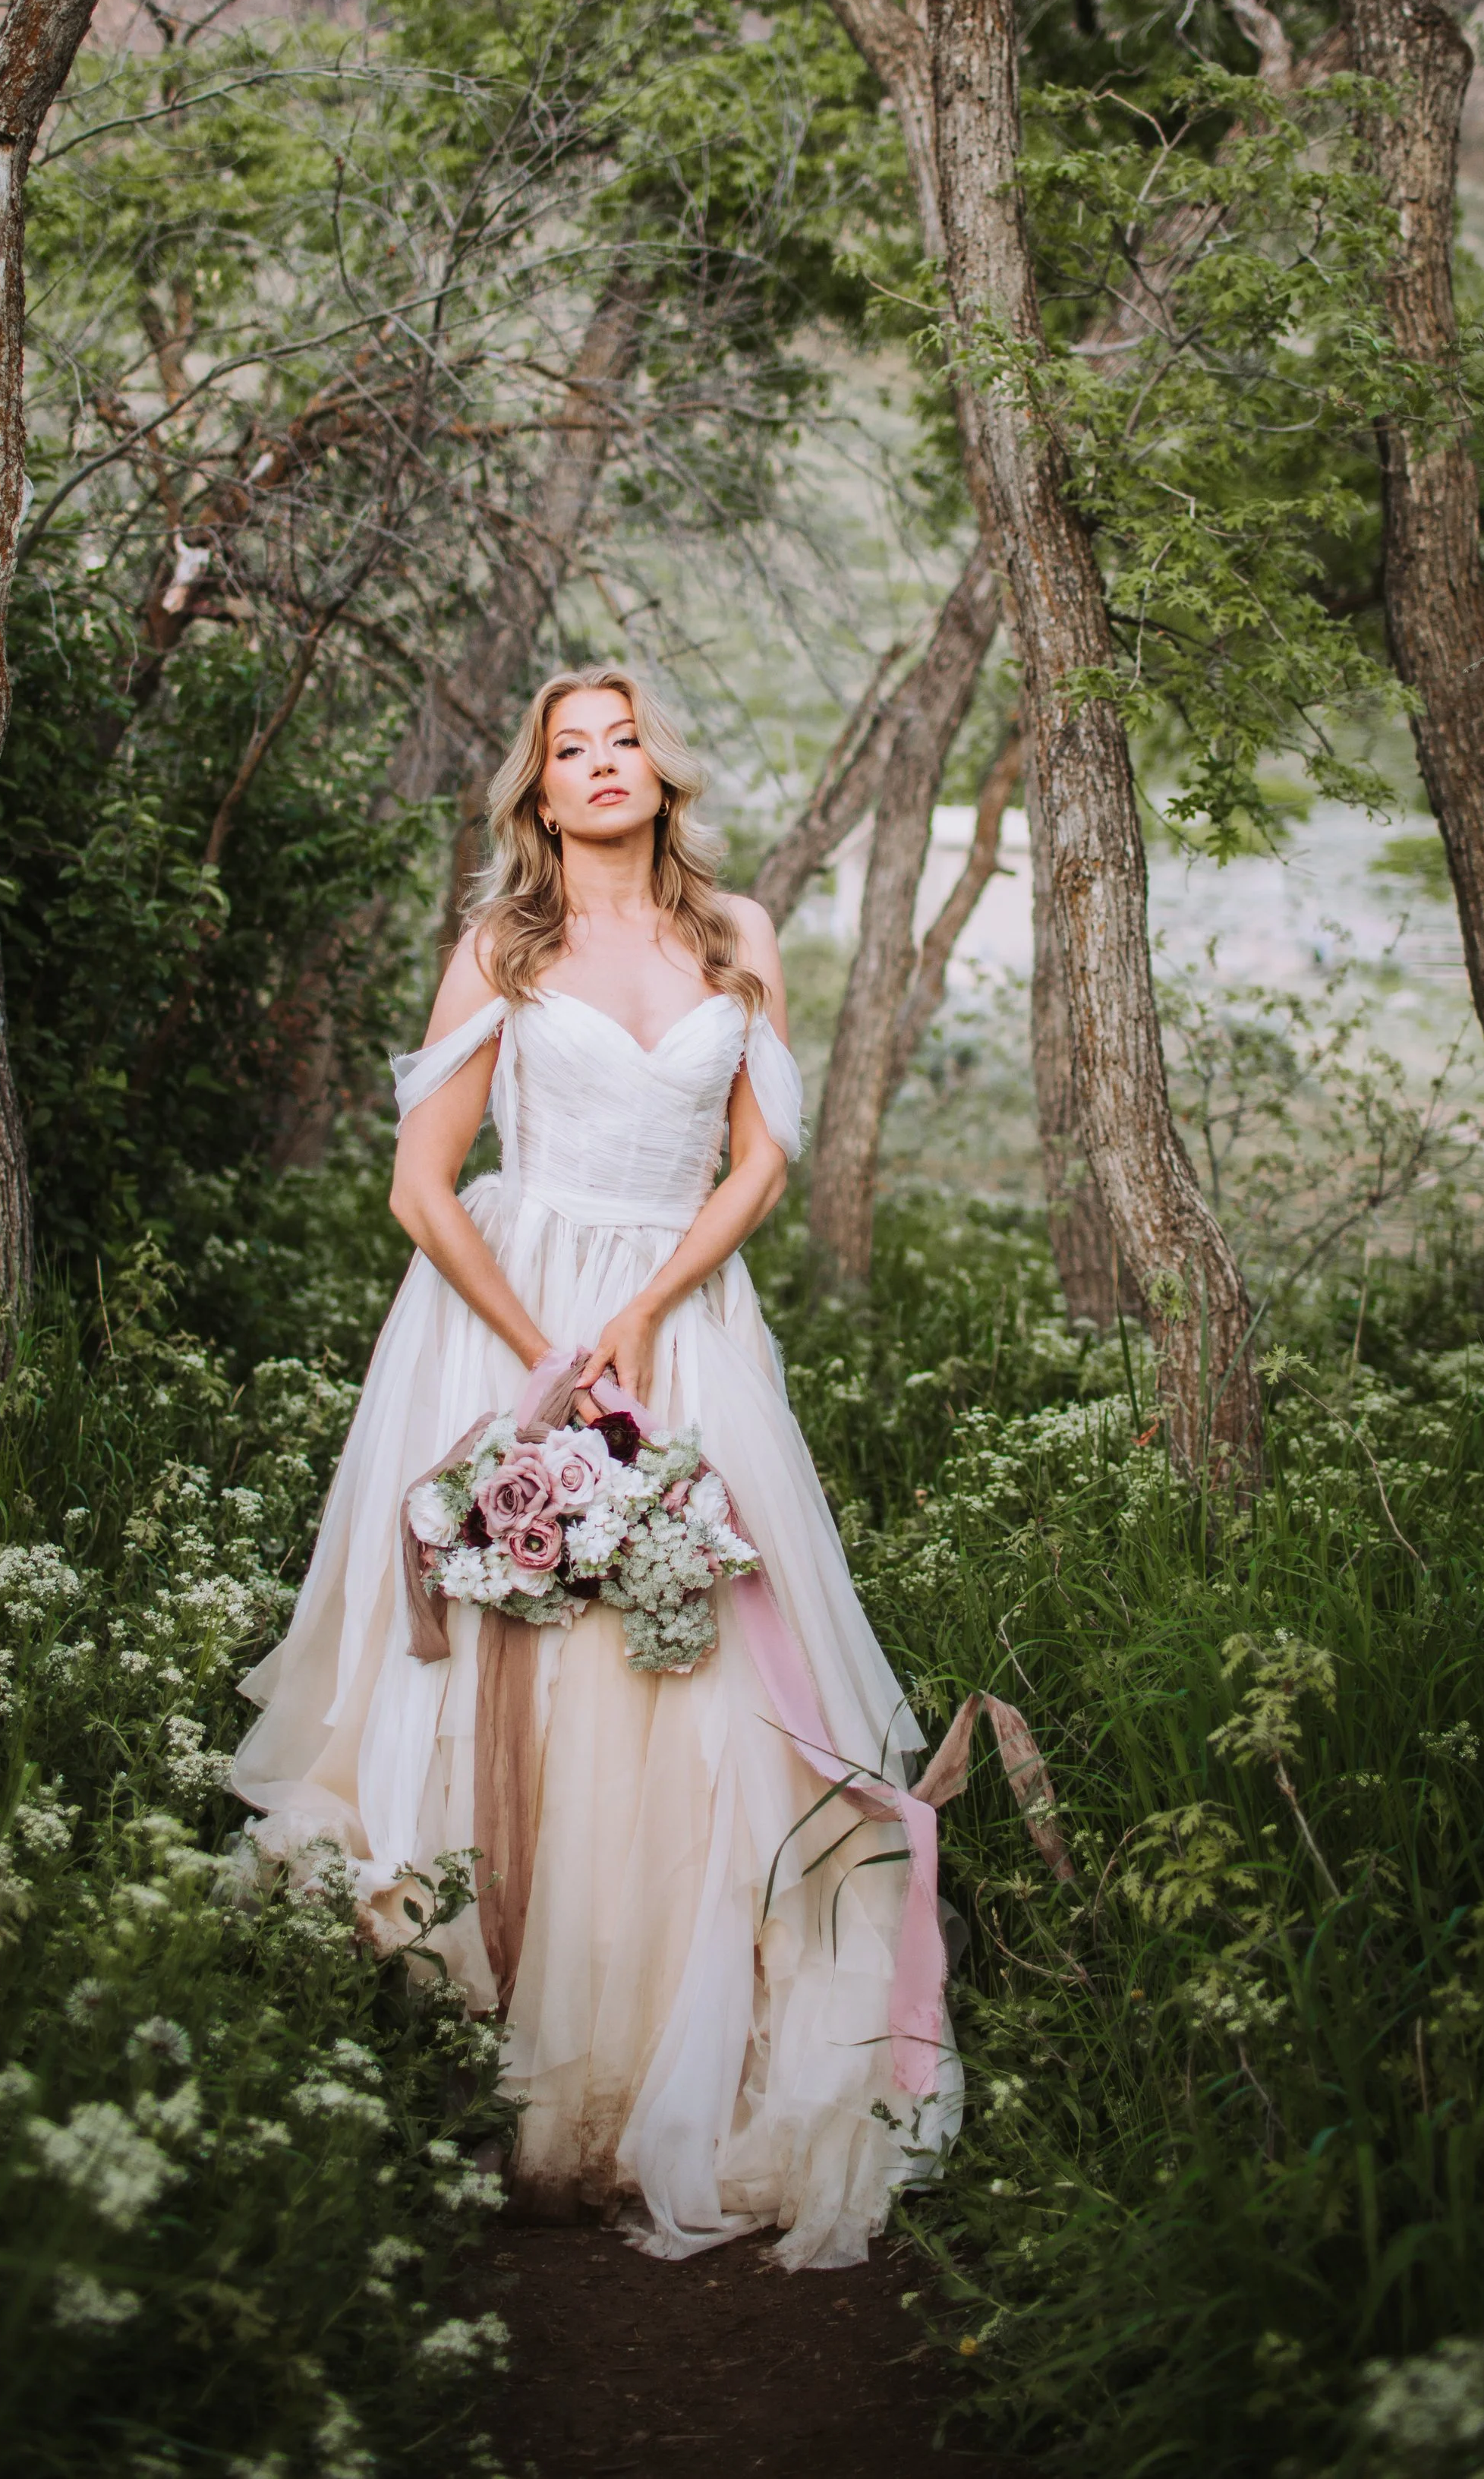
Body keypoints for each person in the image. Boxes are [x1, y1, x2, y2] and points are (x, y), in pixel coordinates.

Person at [231, 664, 963, 2267]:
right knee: (514, 1647)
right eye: (569, 749)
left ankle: (665, 2033)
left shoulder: (737, 939)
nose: (602, 764)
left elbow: (762, 1155)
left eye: (622, 738)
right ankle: (478, 2019)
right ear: (537, 797)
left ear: (656, 772)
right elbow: (423, 1188)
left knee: (688, 1671)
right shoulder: (502, 948)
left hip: (679, 1312)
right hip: (502, 1317)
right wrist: (541, 1356)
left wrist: (640, 1312)